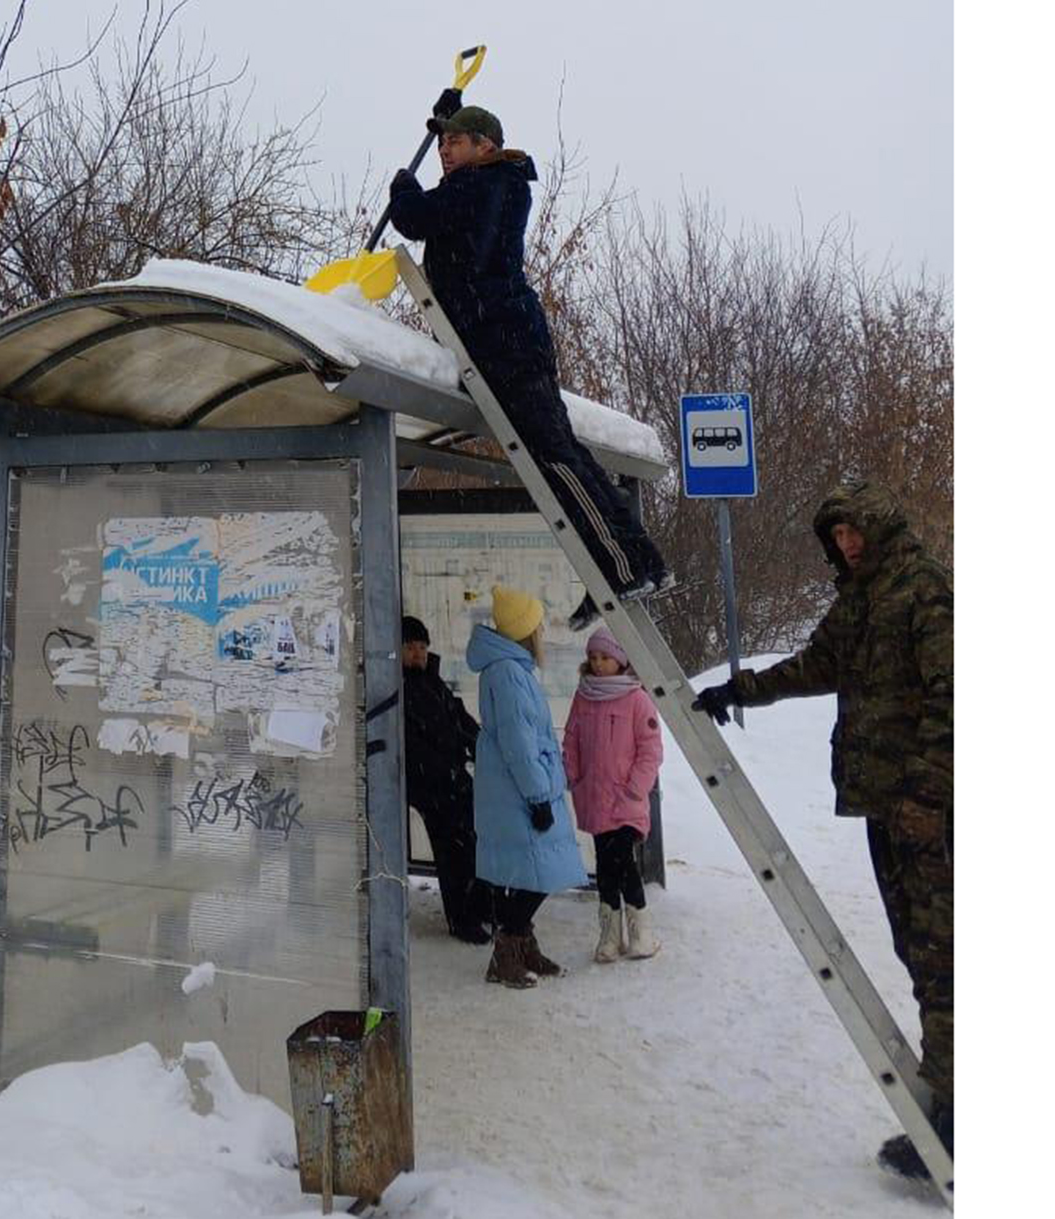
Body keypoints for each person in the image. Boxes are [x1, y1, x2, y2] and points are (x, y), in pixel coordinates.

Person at [692, 479, 953, 1180]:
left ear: (879, 523)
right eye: (836, 536)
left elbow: (955, 695)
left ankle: (956, 1123)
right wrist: (738, 689)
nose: (847, 543)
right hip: (888, 808)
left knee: (946, 956)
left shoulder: (923, 588)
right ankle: (952, 1102)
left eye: (854, 530)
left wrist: (931, 795)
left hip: (933, 813)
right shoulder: (860, 598)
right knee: (920, 952)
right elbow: (816, 666)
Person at [386, 99, 669, 630]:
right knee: (563, 456)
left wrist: (404, 184)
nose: (445, 151)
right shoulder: (495, 185)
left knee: (557, 459)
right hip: (510, 337)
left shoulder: (481, 185)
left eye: (455, 142)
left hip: (503, 343)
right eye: (441, 143)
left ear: (484, 147)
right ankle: (623, 563)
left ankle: (626, 564)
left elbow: (414, 218)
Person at [466, 585, 585, 988]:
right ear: (525, 631)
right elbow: (520, 742)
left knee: (518, 874)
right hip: (520, 789)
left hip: (508, 786)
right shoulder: (509, 673)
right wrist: (538, 796)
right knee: (541, 873)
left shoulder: (506, 669)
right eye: (536, 626)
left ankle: (521, 947)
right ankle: (508, 951)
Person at [563, 626, 665, 964]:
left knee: (622, 862)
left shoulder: (637, 699)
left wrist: (636, 788)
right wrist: (574, 776)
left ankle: (641, 932)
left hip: (626, 802)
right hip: (594, 798)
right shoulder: (584, 696)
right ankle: (609, 935)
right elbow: (572, 740)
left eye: (605, 657)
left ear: (620, 660)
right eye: (593, 657)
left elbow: (650, 750)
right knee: (606, 866)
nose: (598, 663)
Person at [401, 615, 492, 944]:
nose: (418, 654)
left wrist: (482, 747)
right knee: (454, 849)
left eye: (422, 647)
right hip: (430, 785)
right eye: (410, 647)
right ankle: (463, 917)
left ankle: (480, 906)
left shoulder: (432, 682)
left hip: (452, 779)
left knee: (476, 841)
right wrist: (446, 771)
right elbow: (412, 744)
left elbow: (460, 719)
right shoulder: (399, 688)